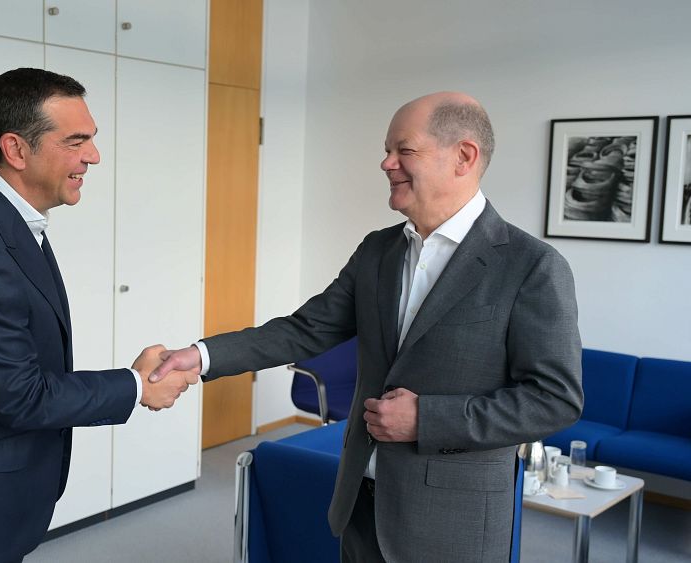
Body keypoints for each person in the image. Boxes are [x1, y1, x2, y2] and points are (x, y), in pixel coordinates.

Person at [152, 92, 583, 562]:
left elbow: (555, 399)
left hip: (451, 526)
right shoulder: (378, 250)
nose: (386, 163)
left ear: (463, 156)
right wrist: (201, 356)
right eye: (386, 149)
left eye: (404, 150)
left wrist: (427, 419)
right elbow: (304, 330)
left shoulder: (532, 266)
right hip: (360, 505)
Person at [0, 68, 196, 563]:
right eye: (76, 142)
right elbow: (20, 395)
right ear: (16, 150)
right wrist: (137, 386)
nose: (93, 156)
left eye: (91, 139)